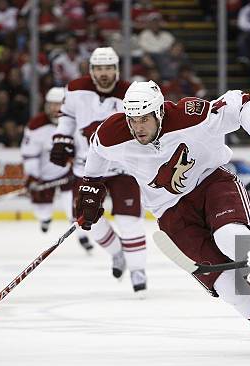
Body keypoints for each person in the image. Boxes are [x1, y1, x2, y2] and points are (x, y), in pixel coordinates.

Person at [74, 80, 250, 355]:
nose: (137, 127)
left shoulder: (191, 114)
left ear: (159, 113)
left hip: (211, 183)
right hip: (169, 211)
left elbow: (244, 101)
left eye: (144, 119)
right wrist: (91, 184)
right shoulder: (113, 133)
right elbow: (96, 149)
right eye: (133, 120)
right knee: (227, 286)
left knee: (231, 239)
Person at [49, 47, 147, 293]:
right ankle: (117, 255)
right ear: (91, 70)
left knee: (129, 220)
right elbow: (67, 116)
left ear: (117, 69)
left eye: (109, 68)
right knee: (86, 219)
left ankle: (138, 270)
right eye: (99, 68)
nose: (104, 73)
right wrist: (62, 137)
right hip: (87, 168)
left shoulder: (132, 93)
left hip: (124, 168)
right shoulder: (75, 89)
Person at [20, 87, 93, 252]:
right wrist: (33, 177)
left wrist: (79, 168)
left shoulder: (75, 122)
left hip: (68, 173)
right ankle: (45, 219)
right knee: (42, 210)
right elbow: (30, 154)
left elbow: (83, 150)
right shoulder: (36, 126)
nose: (55, 109)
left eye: (59, 104)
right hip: (44, 176)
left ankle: (82, 236)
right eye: (52, 105)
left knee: (73, 206)